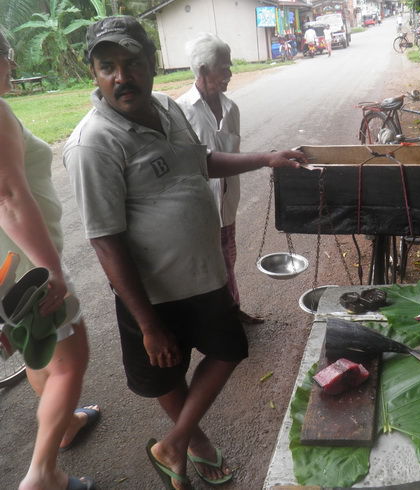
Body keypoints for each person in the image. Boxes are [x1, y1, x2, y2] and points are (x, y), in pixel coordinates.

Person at [63, 16, 304, 490]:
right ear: (93, 73)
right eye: (106, 66)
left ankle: (172, 443)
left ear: (152, 64)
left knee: (230, 349)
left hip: (205, 275)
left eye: (131, 63)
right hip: (154, 295)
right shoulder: (94, 143)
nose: (120, 77)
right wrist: (148, 324)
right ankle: (195, 446)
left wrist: (266, 158)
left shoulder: (169, 109)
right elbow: (105, 240)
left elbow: (203, 162)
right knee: (166, 376)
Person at [0, 30, 99, 490]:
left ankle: (68, 427)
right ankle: (42, 478)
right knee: (69, 360)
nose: (12, 68)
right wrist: (52, 272)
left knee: (39, 348)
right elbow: (10, 200)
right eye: (8, 57)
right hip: (24, 272)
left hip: (9, 273)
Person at [176, 33, 263, 326]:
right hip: (197, 211)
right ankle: (214, 322)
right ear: (203, 70)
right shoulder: (180, 112)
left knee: (228, 261)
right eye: (223, 68)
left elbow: (231, 158)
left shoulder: (231, 109)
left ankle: (231, 310)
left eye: (229, 67)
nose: (229, 74)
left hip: (227, 206)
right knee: (205, 269)